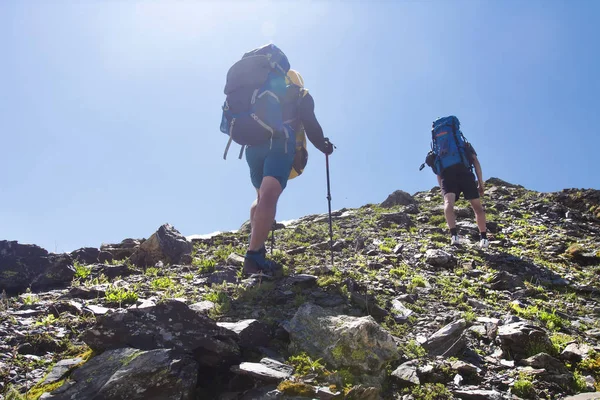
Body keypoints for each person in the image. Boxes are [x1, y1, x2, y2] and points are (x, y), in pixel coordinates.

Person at [243, 69, 334, 276]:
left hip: (253, 147)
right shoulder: (300, 94)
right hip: (279, 144)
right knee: (270, 194)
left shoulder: (259, 93)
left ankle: (256, 247)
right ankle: (254, 257)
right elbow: (310, 124)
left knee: (260, 196)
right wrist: (324, 145)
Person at [425, 116, 488, 248]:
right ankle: (484, 238)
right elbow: (475, 161)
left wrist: (442, 188)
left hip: (447, 175)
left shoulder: (438, 149)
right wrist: (480, 183)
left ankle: (454, 236)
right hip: (464, 172)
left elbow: (438, 170)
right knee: (477, 207)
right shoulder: (462, 144)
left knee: (448, 203)